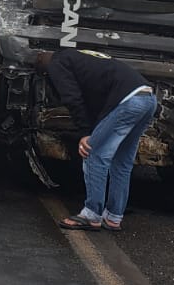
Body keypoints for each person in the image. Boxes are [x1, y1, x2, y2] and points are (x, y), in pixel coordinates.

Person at [36, 49, 158, 232]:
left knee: (93, 153)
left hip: (128, 101)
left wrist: (85, 133)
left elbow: (73, 98)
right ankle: (113, 217)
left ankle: (91, 214)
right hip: (148, 99)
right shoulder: (77, 57)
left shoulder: (56, 64)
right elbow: (94, 98)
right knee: (122, 162)